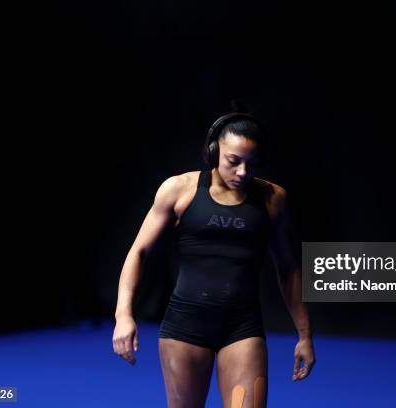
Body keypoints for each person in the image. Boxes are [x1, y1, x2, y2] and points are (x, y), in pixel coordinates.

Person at [112, 103, 315, 407]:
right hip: (185, 325)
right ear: (212, 151)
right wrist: (123, 314)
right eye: (234, 161)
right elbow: (138, 252)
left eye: (251, 163)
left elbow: (288, 269)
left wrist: (305, 335)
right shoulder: (179, 190)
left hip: (242, 326)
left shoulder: (273, 200)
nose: (242, 171)